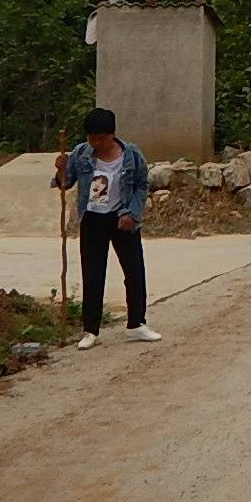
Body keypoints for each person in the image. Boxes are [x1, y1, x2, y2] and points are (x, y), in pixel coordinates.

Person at [53, 107, 161, 350]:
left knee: (134, 272)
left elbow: (142, 185)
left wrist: (132, 214)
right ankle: (90, 330)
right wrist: (61, 168)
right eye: (92, 138)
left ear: (112, 135)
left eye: (101, 138)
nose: (96, 143)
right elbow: (65, 182)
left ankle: (136, 324)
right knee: (92, 274)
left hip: (122, 219)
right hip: (92, 219)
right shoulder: (82, 154)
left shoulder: (131, 155)